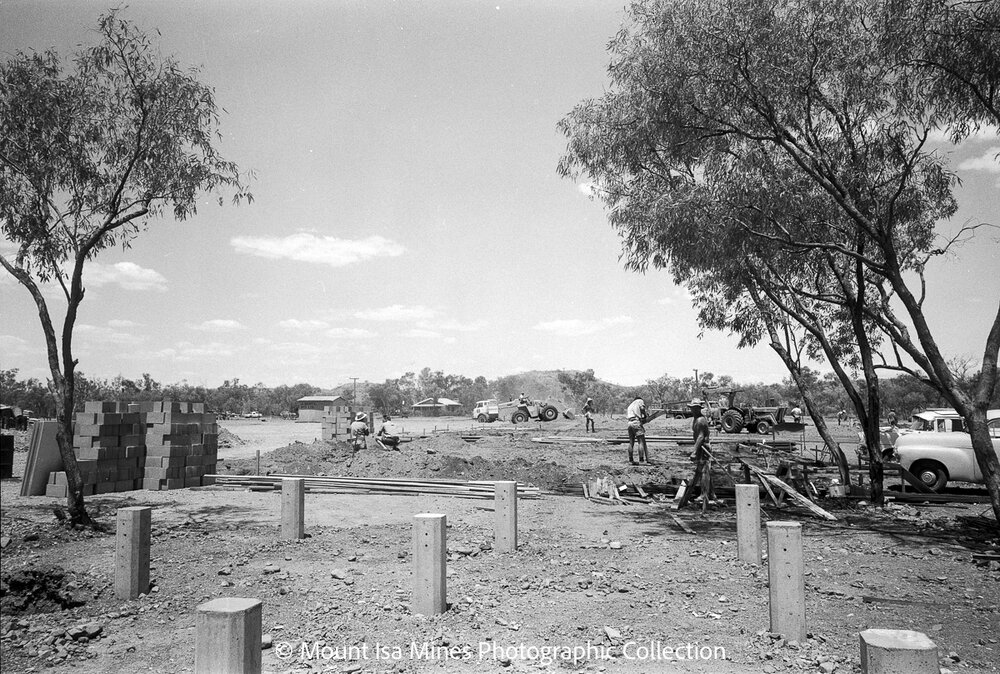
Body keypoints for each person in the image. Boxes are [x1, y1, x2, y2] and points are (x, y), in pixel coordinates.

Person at [625, 395, 649, 464]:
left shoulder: (630, 405)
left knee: (631, 442)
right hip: (636, 422)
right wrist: (645, 415)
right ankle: (641, 460)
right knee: (640, 442)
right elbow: (642, 408)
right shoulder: (639, 401)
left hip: (629, 423)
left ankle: (630, 460)